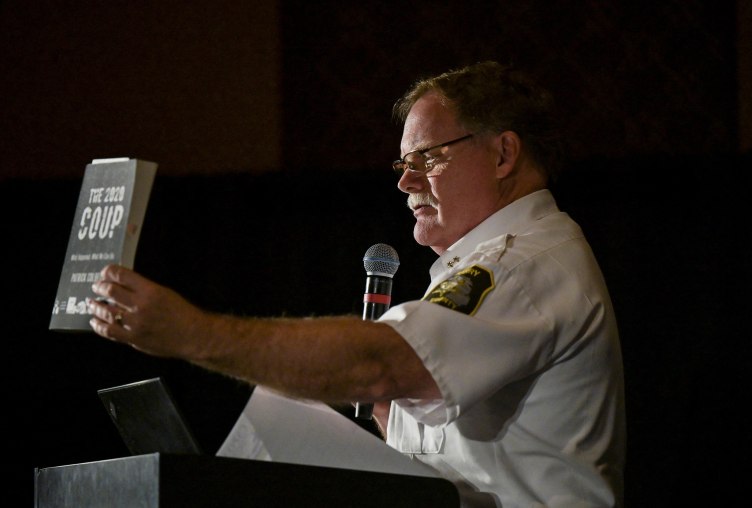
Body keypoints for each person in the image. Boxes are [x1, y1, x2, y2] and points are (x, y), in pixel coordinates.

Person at [89, 61, 626, 507]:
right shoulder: (485, 264)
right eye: (402, 162)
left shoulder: (524, 261)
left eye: (427, 158)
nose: (405, 180)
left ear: (504, 154)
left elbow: (377, 366)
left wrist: (189, 333)